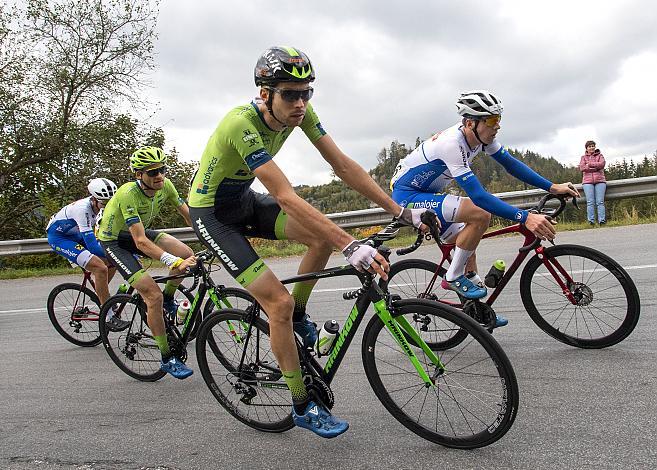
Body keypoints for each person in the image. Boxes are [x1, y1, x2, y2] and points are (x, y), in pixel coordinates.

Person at [187, 46, 438, 438]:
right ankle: (302, 404)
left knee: (320, 242)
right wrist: (350, 244)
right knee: (278, 303)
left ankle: (301, 318)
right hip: (213, 216)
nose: (301, 102)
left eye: (307, 92)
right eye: (290, 93)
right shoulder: (240, 124)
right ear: (265, 93)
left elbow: (343, 166)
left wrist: (400, 211)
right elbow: (286, 194)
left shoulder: (301, 113)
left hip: (244, 202)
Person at [390, 90, 579, 326]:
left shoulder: (480, 138)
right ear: (471, 123)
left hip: (427, 194)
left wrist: (551, 187)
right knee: (480, 215)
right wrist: (525, 218)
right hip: (408, 198)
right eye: (491, 120)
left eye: (498, 119)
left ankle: (476, 315)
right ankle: (453, 276)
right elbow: (478, 197)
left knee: (467, 244)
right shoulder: (452, 144)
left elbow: (511, 164)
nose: (497, 126)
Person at [97, 147, 197, 379]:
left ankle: (170, 299)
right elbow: (140, 242)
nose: (159, 175)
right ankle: (166, 358)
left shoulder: (166, 185)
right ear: (138, 175)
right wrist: (174, 261)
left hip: (137, 231)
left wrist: (214, 236)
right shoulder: (127, 194)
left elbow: (188, 215)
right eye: (152, 172)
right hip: (115, 241)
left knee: (186, 251)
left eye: (162, 169)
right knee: (153, 295)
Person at [47, 178, 121, 321]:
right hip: (60, 239)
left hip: (76, 234)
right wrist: (116, 254)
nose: (107, 207)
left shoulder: (101, 205)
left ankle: (102, 296)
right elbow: (93, 247)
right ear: (94, 199)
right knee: (100, 268)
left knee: (112, 263)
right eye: (104, 203)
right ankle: (108, 315)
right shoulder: (82, 209)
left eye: (110, 203)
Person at [579, 140, 607, 225]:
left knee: (600, 202)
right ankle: (591, 221)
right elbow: (582, 168)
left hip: (600, 181)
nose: (591, 147)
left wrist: (590, 164)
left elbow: (602, 164)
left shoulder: (600, 155)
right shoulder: (583, 157)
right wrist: (596, 167)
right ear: (586, 148)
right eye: (589, 146)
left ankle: (601, 220)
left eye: (593, 146)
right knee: (590, 202)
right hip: (587, 182)